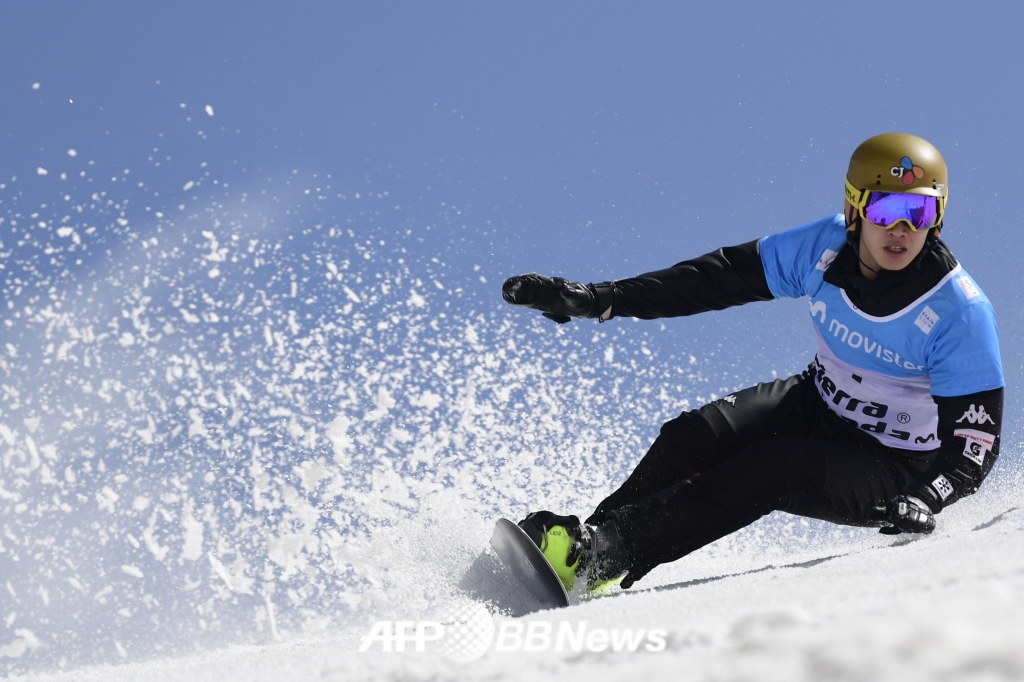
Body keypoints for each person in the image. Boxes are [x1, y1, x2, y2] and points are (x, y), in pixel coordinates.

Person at [501, 133, 1004, 592]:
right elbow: (715, 279)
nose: (900, 230)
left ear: (937, 218)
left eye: (918, 213)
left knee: (771, 468)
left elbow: (976, 442)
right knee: (696, 435)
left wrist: (928, 498)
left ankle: (604, 557)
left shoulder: (958, 310)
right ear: (855, 209)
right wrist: (600, 298)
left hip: (895, 466)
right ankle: (589, 550)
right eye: (886, 210)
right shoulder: (823, 248)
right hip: (819, 401)